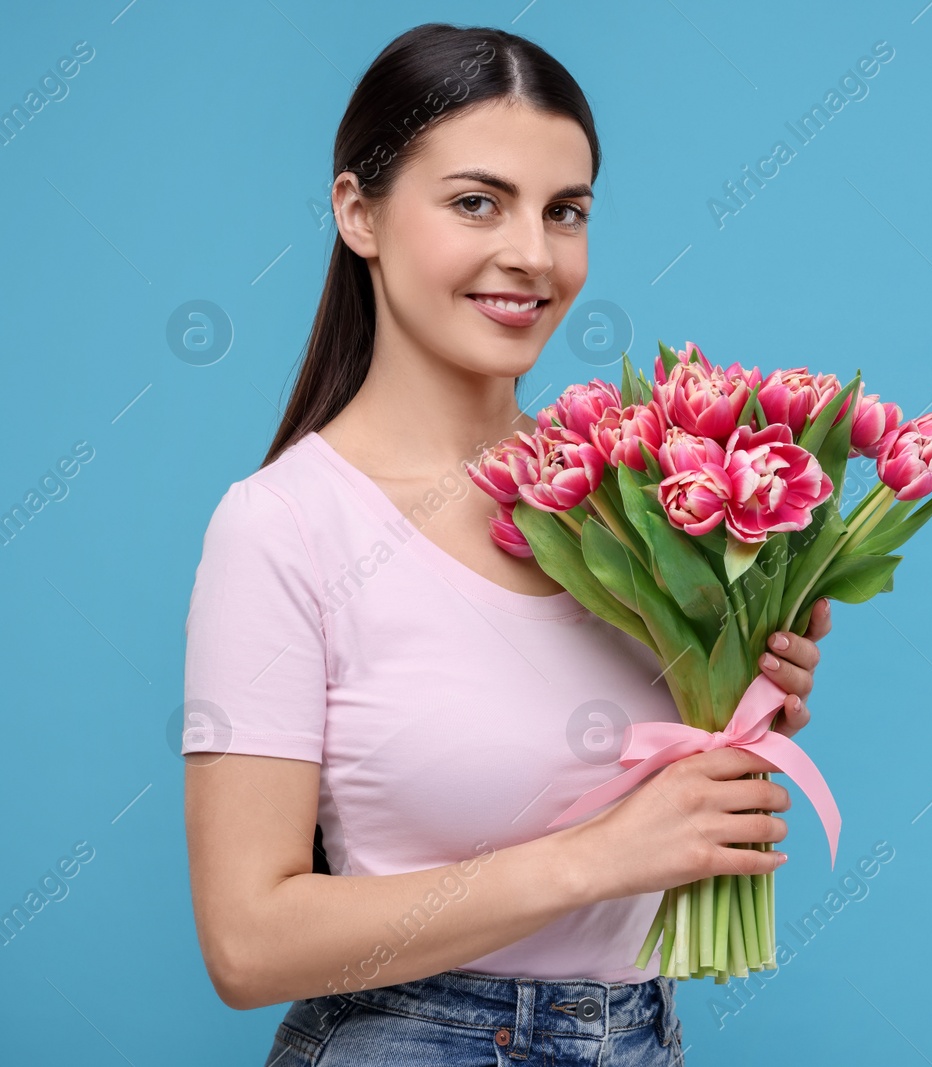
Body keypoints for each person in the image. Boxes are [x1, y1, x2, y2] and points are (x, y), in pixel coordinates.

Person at [180, 23, 830, 1065]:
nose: (532, 252)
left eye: (564, 211)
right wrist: (599, 856)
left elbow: (657, 794)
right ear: (360, 213)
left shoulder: (639, 495)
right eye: (477, 201)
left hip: (640, 1035)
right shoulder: (287, 525)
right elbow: (246, 943)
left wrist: (742, 687)